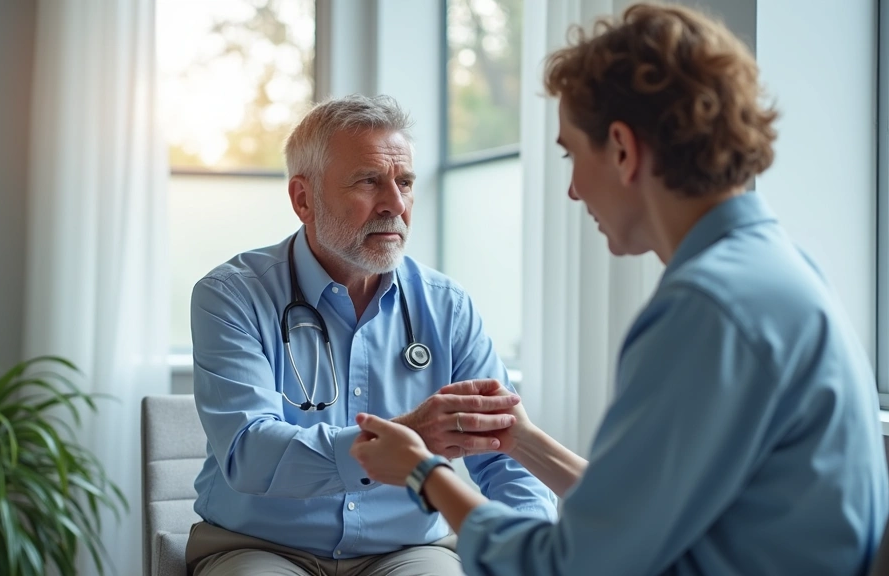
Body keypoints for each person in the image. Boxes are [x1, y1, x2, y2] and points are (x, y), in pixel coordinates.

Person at [350, 3, 889, 575]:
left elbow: (573, 564)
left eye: (570, 155)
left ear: (624, 150)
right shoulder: (771, 272)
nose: (574, 190)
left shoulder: (706, 311)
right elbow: (640, 516)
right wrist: (523, 441)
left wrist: (422, 474)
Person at [185, 94, 558, 576]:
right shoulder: (232, 295)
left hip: (406, 550)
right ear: (304, 199)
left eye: (404, 182)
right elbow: (249, 452)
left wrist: (535, 546)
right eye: (369, 181)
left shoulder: (446, 305)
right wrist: (399, 439)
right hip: (259, 545)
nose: (396, 204)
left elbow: (505, 451)